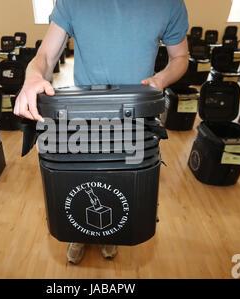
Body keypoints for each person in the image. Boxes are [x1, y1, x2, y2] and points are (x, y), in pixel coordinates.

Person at [14, 0, 189, 264]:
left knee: (120, 182)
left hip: (134, 120)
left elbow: (180, 58)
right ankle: (81, 233)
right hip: (85, 116)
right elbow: (46, 56)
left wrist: (160, 79)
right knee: (85, 179)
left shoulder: (169, 3)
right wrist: (33, 76)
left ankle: (109, 233)